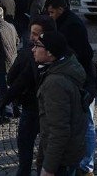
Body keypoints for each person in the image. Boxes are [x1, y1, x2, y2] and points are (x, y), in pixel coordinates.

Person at [44, 0, 97, 175]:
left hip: (82, 78)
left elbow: (83, 54)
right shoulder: (61, 22)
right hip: (75, 76)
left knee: (88, 123)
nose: (50, 15)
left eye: (52, 12)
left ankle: (87, 165)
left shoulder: (72, 25)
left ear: (61, 9)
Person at [0, 15, 56, 176]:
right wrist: (10, 96)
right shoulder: (29, 53)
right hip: (31, 107)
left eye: (36, 34)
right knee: (26, 149)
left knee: (40, 152)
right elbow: (18, 78)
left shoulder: (53, 57)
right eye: (31, 33)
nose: (31, 38)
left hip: (45, 111)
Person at [33, 31, 88, 176]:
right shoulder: (66, 65)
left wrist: (49, 168)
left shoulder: (55, 83)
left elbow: (59, 129)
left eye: (37, 46)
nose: (33, 49)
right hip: (69, 152)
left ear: (50, 53)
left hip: (61, 161)